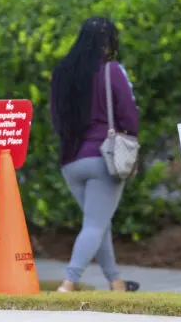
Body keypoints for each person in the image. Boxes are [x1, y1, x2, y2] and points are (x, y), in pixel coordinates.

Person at [49, 17, 140, 292]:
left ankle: (116, 282)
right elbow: (129, 115)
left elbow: (55, 118)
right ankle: (69, 283)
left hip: (70, 161)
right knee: (94, 225)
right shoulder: (111, 71)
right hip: (103, 157)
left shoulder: (62, 72)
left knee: (98, 223)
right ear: (108, 43)